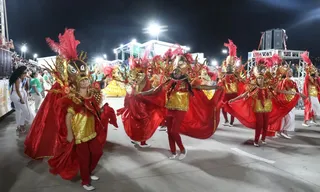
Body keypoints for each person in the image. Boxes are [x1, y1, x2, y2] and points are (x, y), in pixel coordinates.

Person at [43, 29, 117, 191]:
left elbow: (95, 108)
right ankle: (85, 181)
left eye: (86, 80)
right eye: (81, 80)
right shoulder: (71, 96)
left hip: (92, 131)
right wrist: (70, 133)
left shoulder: (91, 93)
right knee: (84, 158)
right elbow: (68, 116)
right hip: (79, 134)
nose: (85, 82)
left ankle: (89, 172)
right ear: (76, 82)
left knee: (97, 153)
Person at [9, 66, 34, 134]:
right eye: (25, 73)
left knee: (18, 111)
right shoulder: (18, 79)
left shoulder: (19, 78)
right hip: (16, 96)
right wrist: (21, 98)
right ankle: (21, 125)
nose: (26, 75)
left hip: (14, 95)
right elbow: (17, 90)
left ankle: (18, 125)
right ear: (21, 73)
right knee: (25, 111)